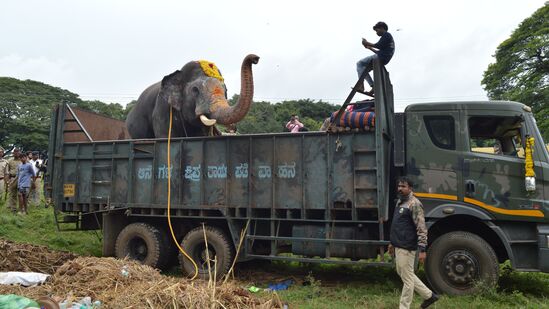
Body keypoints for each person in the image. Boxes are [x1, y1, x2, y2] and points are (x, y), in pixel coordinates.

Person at [388, 177, 439, 309]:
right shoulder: (400, 202)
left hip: (407, 246)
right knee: (404, 273)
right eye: (399, 186)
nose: (400, 188)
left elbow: (421, 228)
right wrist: (392, 243)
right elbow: (397, 225)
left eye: (403, 186)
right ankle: (429, 296)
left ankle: (404, 307)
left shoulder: (414, 204)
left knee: (407, 278)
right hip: (398, 244)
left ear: (410, 188)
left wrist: (422, 249)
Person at [356, 21, 395, 95]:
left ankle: (369, 85)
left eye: (377, 30)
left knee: (359, 64)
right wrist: (369, 48)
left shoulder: (386, 35)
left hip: (381, 57)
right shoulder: (388, 38)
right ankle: (369, 86)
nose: (376, 32)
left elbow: (378, 45)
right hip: (383, 58)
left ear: (382, 28)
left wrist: (366, 42)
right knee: (363, 70)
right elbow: (379, 51)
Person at [7, 148, 22, 212]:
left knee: (21, 194)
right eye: (15, 152)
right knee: (13, 193)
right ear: (13, 153)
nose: (16, 153)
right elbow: (7, 171)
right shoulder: (9, 160)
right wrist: (8, 180)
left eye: (17, 152)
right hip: (12, 178)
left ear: (19, 153)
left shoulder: (23, 160)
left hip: (21, 179)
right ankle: (13, 208)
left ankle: (21, 208)